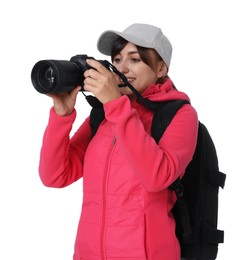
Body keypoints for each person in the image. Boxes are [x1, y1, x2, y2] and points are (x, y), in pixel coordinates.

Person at [38, 23, 199, 260]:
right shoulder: (104, 115)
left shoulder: (180, 114)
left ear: (161, 68)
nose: (123, 68)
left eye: (135, 59)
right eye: (117, 59)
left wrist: (115, 105)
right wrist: (61, 117)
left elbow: (157, 177)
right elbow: (54, 176)